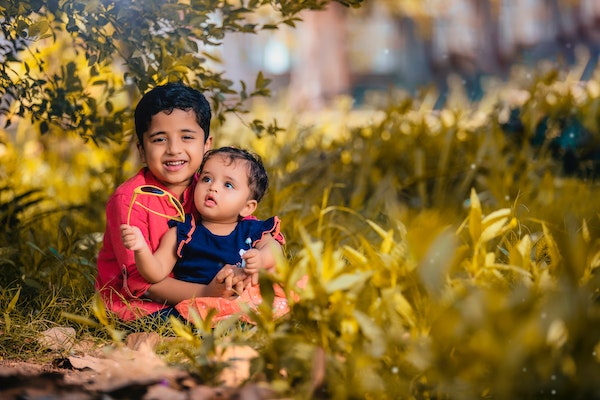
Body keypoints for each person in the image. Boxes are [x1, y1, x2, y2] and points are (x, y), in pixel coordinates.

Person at [95, 82, 244, 322]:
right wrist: (206, 294)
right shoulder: (128, 201)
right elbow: (139, 283)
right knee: (224, 325)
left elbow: (249, 229)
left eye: (186, 137)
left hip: (205, 291)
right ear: (142, 150)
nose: (174, 149)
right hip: (143, 306)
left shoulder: (209, 187)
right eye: (159, 139)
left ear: (206, 145)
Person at [120, 147, 289, 323]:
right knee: (161, 321)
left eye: (228, 185)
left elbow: (274, 249)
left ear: (247, 207)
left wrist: (261, 258)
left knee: (284, 297)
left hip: (245, 301)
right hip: (200, 306)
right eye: (206, 179)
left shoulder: (252, 229)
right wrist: (141, 249)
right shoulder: (183, 233)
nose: (213, 187)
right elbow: (154, 273)